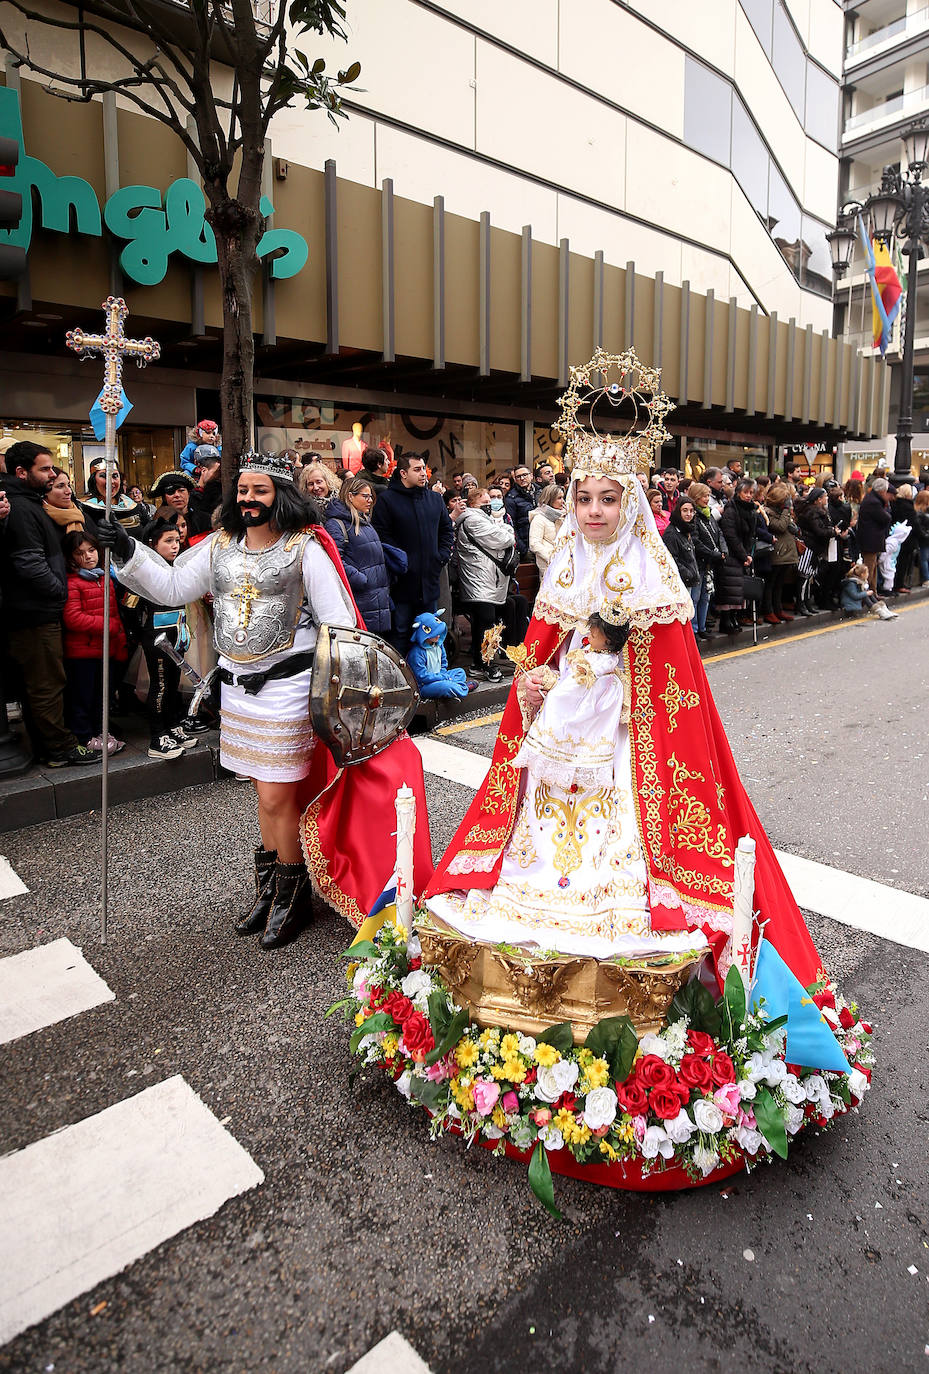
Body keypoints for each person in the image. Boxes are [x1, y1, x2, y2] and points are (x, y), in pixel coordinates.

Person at [96, 451, 363, 948]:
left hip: (286, 688)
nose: (248, 500)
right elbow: (173, 586)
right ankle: (270, 889)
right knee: (261, 796)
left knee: (276, 795)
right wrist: (128, 550)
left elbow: (340, 623)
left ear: (280, 495)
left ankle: (293, 894)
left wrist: (339, 692)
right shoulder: (219, 545)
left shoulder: (305, 549)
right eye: (242, 491)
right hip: (238, 693)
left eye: (259, 491)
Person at [0, 441, 99, 767]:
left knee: (46, 682)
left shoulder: (28, 503)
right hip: (34, 612)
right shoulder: (21, 508)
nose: (51, 474)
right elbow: (28, 563)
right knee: (46, 683)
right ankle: (59, 748)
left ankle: (49, 745)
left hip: (38, 608)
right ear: (21, 472)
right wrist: (60, 592)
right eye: (44, 469)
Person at [371, 452, 454, 654]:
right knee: (400, 632)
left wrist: (440, 556)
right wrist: (401, 562)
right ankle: (402, 681)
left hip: (429, 580)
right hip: (401, 583)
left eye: (424, 469)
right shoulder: (387, 500)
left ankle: (429, 679)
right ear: (403, 473)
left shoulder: (434, 499)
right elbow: (382, 536)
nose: (423, 474)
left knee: (430, 633)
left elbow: (446, 531)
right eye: (417, 469)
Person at [61, 528, 127, 754]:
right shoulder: (73, 582)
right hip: (82, 653)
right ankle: (83, 736)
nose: (88, 556)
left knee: (103, 695)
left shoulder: (104, 578)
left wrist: (118, 642)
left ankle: (101, 731)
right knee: (83, 696)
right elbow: (73, 618)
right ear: (71, 557)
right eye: (81, 553)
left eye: (91, 550)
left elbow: (115, 612)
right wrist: (108, 626)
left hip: (104, 649)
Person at [451, 487, 517, 681]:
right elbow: (504, 538)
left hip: (486, 580)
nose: (490, 506)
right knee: (485, 622)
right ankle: (484, 664)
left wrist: (502, 527)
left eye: (492, 501)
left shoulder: (483, 519)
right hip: (479, 580)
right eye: (485, 503)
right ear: (472, 505)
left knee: (486, 622)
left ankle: (481, 662)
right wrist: (504, 528)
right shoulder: (473, 520)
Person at [323, 475, 393, 635]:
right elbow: (334, 559)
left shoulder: (364, 521)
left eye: (371, 496)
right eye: (365, 496)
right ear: (350, 496)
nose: (370, 500)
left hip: (375, 595)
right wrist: (360, 579)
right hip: (361, 596)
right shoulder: (336, 524)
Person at [717, 478, 757, 634]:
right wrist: (743, 554)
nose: (748, 496)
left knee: (739, 589)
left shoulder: (750, 509)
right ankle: (726, 620)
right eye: (745, 492)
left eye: (751, 493)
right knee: (729, 589)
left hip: (743, 553)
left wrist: (748, 554)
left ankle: (734, 617)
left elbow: (751, 534)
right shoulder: (731, 509)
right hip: (731, 554)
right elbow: (730, 535)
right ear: (738, 492)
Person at [687, 481, 724, 641]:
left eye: (708, 495)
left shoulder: (709, 513)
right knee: (695, 598)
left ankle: (702, 627)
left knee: (706, 596)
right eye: (704, 496)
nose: (707, 499)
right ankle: (694, 629)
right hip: (698, 562)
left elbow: (719, 533)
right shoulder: (693, 516)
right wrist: (713, 554)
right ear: (696, 497)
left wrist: (723, 550)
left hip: (709, 562)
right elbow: (696, 542)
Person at [661, 497, 700, 628]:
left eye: (691, 511)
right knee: (682, 616)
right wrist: (687, 573)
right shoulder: (672, 533)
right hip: (681, 582)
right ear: (678, 511)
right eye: (685, 510)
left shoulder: (686, 530)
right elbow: (672, 560)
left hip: (690, 579)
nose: (689, 514)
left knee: (689, 613)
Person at [79, 457, 146, 532]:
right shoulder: (83, 510)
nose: (110, 482)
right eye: (104, 476)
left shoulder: (135, 507)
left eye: (115, 476)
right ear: (93, 480)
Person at [763, 483, 798, 623]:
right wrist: (786, 510)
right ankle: (768, 611)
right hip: (776, 553)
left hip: (786, 553)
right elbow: (781, 526)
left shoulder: (781, 512)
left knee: (779, 584)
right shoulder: (767, 512)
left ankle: (778, 610)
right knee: (770, 584)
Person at [856, 476, 892, 598]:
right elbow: (885, 517)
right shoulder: (874, 502)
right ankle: (866, 594)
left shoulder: (871, 499)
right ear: (882, 491)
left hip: (871, 539)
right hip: (870, 539)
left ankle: (873, 591)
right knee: (869, 568)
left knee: (873, 566)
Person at [528, 483, 566, 575]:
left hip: (565, 563)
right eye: (559, 498)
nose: (563, 501)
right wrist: (552, 557)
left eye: (563, 497)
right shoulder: (539, 518)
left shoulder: (564, 516)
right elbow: (534, 544)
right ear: (550, 499)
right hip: (548, 565)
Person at [187, 447, 224, 536]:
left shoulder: (221, 494)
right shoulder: (189, 496)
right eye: (216, 472)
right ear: (203, 470)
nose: (219, 476)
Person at [889, 483, 918, 594]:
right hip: (906, 538)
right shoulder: (908, 507)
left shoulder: (894, 504)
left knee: (894, 562)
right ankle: (899, 584)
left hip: (895, 536)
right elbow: (914, 524)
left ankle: (894, 584)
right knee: (902, 562)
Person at [43, 466, 85, 538]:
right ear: (45, 490)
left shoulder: (81, 514)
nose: (69, 491)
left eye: (68, 485)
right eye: (60, 486)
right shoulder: (39, 520)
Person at [504, 465, 537, 556]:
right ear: (515, 479)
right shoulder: (511, 498)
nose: (522, 478)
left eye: (525, 475)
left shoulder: (540, 492)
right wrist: (523, 549)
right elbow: (511, 525)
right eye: (518, 477)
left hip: (541, 544)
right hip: (525, 545)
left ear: (531, 475)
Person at [913, 487, 929, 587]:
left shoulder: (918, 512)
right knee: (924, 559)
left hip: (924, 538)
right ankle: (926, 578)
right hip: (924, 539)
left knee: (924, 559)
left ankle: (926, 578)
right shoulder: (920, 513)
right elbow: (919, 527)